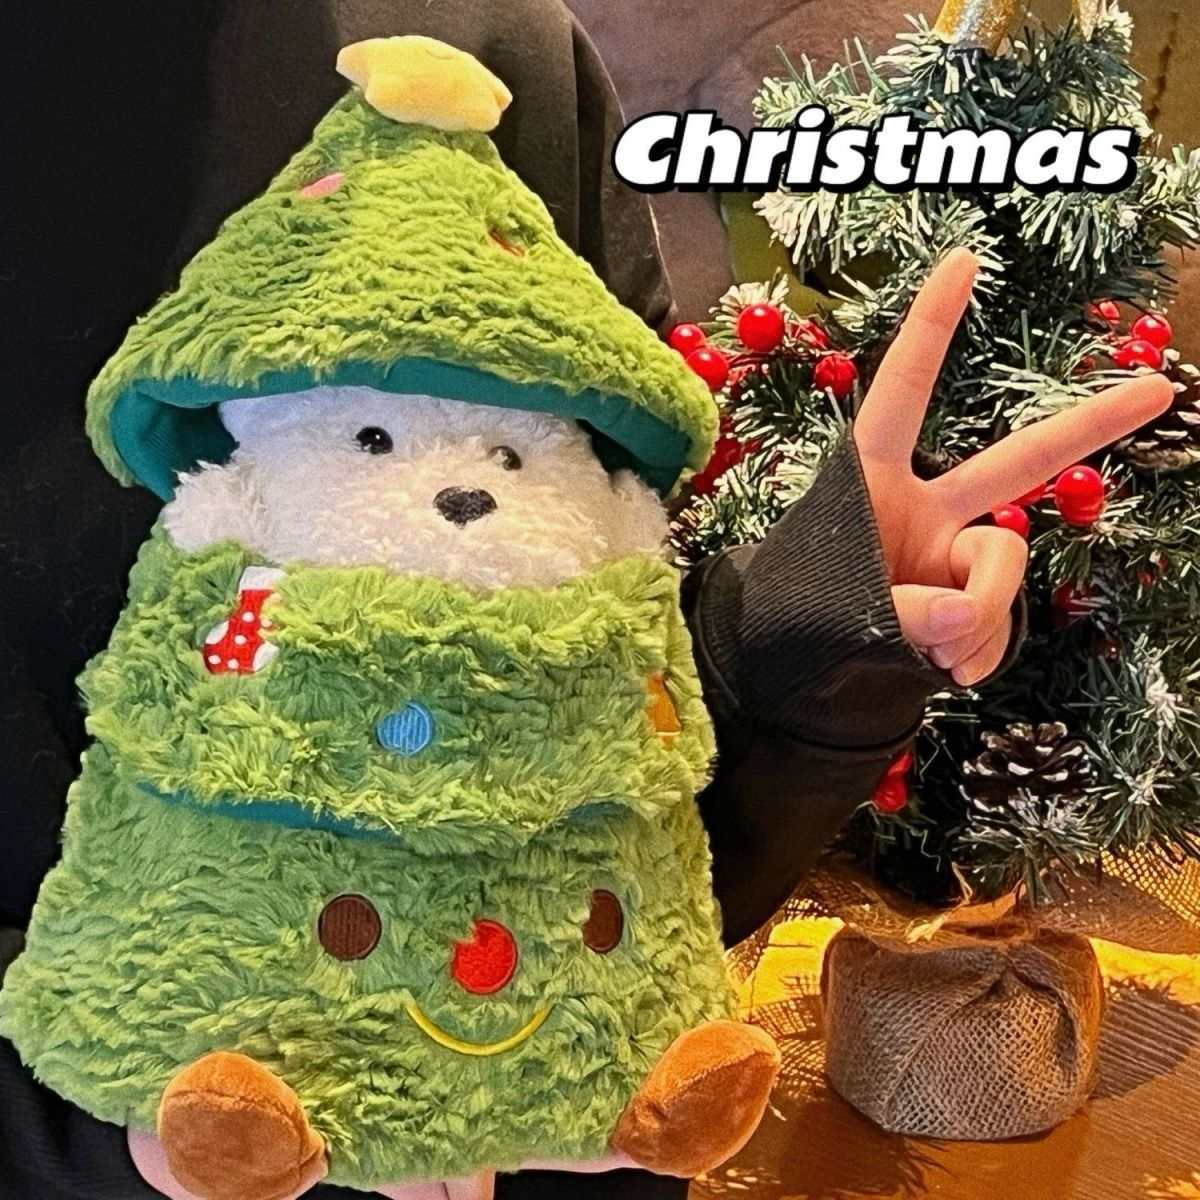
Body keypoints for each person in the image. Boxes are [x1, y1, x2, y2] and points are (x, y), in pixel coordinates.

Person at [0, 4, 1171, 1199]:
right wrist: (122, 1148)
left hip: (577, 1130)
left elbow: (630, 788)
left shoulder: (500, 53)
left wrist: (813, 625)